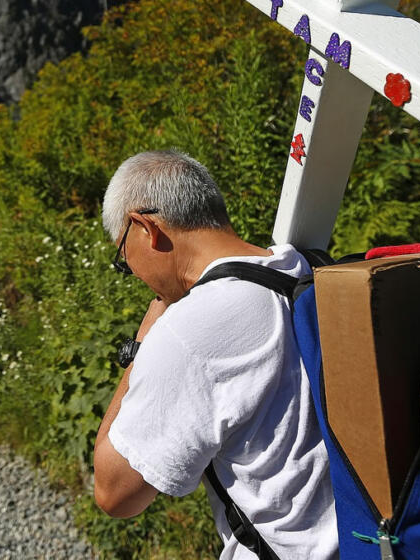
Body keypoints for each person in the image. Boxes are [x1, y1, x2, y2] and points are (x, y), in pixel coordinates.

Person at [93, 151, 338, 560]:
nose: (131, 272)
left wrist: (142, 347)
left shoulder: (187, 331)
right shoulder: (300, 267)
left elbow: (114, 492)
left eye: (123, 257)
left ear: (144, 228)